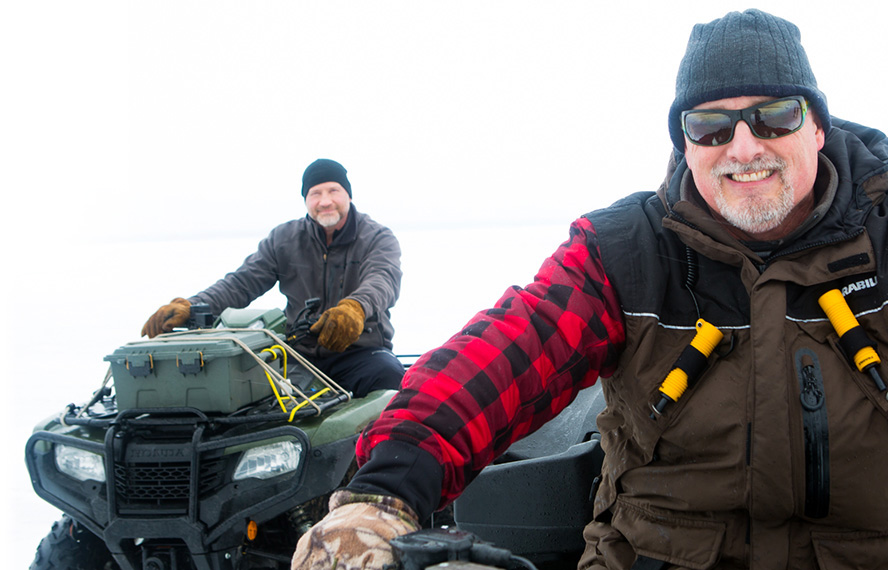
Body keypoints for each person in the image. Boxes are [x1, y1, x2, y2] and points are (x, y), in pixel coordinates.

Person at [293, 9, 888, 570]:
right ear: (684, 143)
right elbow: (511, 351)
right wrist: (381, 495)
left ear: (816, 126)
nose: (743, 147)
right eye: (710, 125)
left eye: (774, 115)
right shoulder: (626, 252)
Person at [141, 158, 405, 398]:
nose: (325, 201)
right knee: (248, 395)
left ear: (348, 194)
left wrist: (355, 308)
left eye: (333, 191)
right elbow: (241, 283)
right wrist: (191, 306)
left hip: (361, 352)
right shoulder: (284, 239)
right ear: (306, 200)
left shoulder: (377, 237)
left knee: (390, 378)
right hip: (298, 354)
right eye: (315, 193)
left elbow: (382, 280)